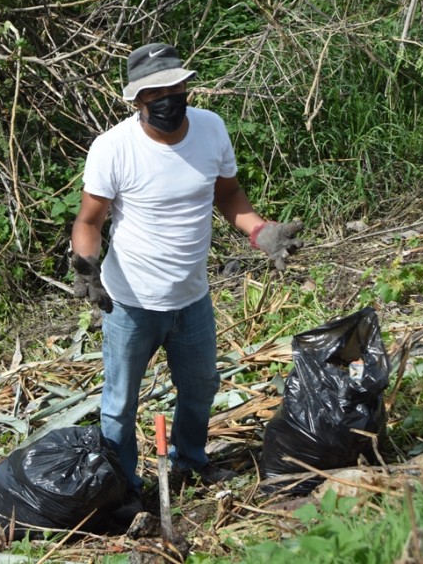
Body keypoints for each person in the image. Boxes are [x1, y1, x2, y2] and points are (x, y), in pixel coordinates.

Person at [70, 43, 303, 524]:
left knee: (200, 388)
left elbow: (229, 195)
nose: (167, 97)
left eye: (174, 86)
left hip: (192, 297)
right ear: (137, 99)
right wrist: (86, 266)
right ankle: (125, 488)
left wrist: (262, 232)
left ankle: (190, 464)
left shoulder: (211, 129)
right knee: (119, 404)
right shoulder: (113, 148)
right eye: (154, 91)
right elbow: (90, 220)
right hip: (130, 302)